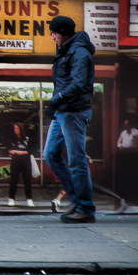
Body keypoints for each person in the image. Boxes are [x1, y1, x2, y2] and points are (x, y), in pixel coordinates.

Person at [43, 15, 96, 223]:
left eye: (54, 32)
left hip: (74, 112)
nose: (52, 36)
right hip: (63, 111)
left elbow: (79, 83)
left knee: (77, 160)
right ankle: (76, 199)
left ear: (64, 32)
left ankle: (85, 208)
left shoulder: (79, 52)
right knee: (50, 154)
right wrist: (56, 103)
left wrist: (56, 100)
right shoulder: (65, 48)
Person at [7, 123, 34, 206]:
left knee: (27, 180)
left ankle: (29, 199)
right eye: (14, 128)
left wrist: (21, 152)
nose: (15, 130)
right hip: (15, 160)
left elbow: (31, 151)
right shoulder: (12, 138)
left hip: (25, 161)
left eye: (17, 128)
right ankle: (11, 198)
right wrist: (12, 152)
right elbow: (8, 149)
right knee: (13, 180)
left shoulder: (27, 138)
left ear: (21, 129)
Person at [116, 119, 138, 195]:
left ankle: (133, 189)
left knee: (132, 170)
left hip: (132, 152)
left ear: (131, 125)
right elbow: (119, 141)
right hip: (124, 152)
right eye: (125, 124)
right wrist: (120, 146)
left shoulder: (137, 132)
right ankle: (124, 189)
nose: (126, 126)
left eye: (127, 124)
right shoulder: (123, 133)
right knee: (124, 170)